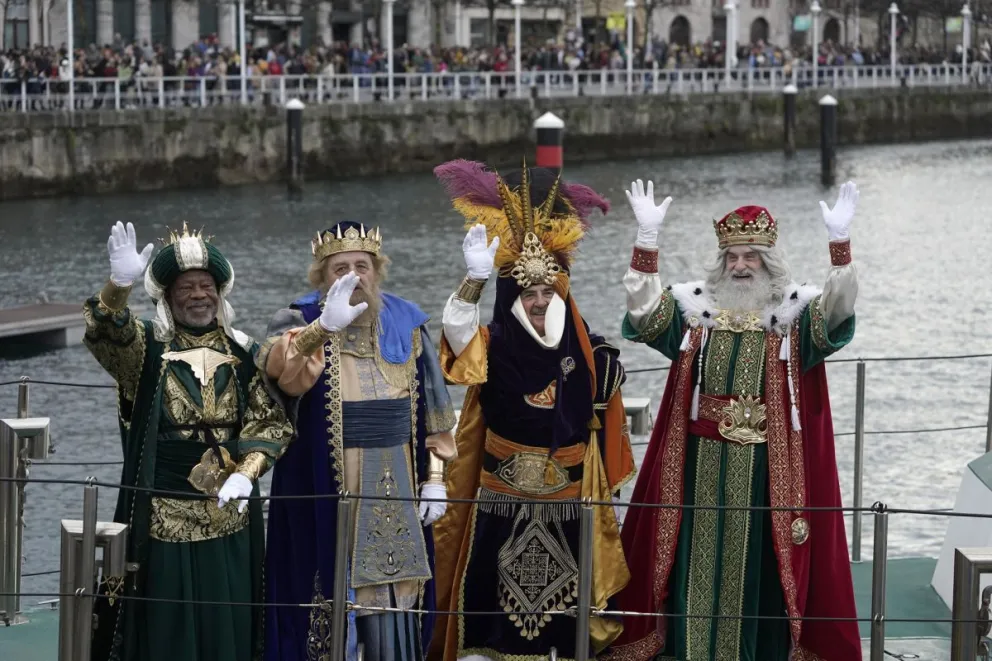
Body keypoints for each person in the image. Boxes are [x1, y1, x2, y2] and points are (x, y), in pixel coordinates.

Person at [603, 181, 863, 661]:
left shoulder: (793, 319)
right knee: (694, 565)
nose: (741, 266)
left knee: (764, 571)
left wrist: (840, 245)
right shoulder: (695, 314)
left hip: (768, 477)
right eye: (733, 257)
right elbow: (643, 315)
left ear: (770, 262)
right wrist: (646, 240)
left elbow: (838, 311)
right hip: (699, 470)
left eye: (751, 257)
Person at [430, 160, 636, 661]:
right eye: (529, 293)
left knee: (563, 619)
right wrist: (473, 280)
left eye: (547, 292)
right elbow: (456, 336)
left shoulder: (591, 353)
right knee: (491, 609)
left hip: (568, 499)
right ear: (512, 296)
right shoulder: (492, 344)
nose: (540, 302)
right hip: (500, 498)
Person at [84, 222, 294, 661]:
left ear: (220, 292)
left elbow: (270, 422)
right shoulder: (147, 349)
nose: (199, 295)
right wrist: (118, 287)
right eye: (187, 287)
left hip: (230, 512)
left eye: (206, 286)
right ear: (167, 296)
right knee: (169, 623)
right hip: (163, 513)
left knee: (228, 617)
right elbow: (109, 339)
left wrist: (247, 472)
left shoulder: (243, 353)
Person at [260, 221, 457, 661]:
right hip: (327, 479)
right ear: (321, 276)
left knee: (396, 593)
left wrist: (435, 477)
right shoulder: (298, 319)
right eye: (340, 268)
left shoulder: (407, 320)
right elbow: (281, 373)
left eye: (361, 266)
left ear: (377, 270)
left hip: (398, 482)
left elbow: (436, 407)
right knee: (328, 582)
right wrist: (322, 328)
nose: (353, 276)